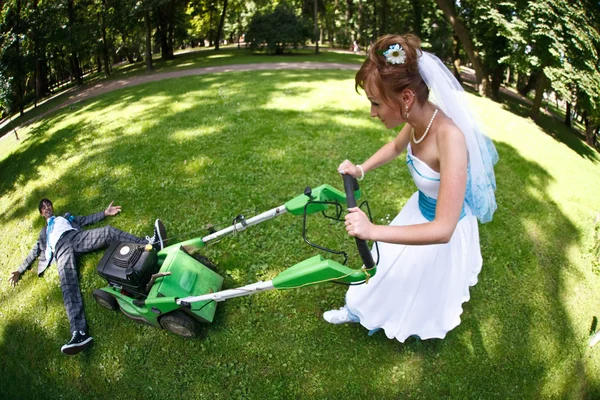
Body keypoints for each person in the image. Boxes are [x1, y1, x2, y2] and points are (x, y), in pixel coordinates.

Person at [323, 34, 498, 342]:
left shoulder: (450, 138)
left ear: (405, 98)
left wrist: (372, 230)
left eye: (376, 104)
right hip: (417, 211)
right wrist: (360, 169)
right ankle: (360, 309)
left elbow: (443, 229)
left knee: (411, 285)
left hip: (441, 229)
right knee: (385, 266)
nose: (372, 113)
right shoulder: (417, 118)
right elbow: (394, 147)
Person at [8, 198, 168, 355]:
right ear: (41, 213)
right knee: (67, 283)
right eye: (43, 207)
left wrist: (105, 213)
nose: (47, 207)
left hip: (75, 238)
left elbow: (85, 220)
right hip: (60, 249)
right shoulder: (43, 234)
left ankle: (151, 245)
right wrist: (19, 270)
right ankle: (79, 333)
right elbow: (33, 253)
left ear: (52, 207)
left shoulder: (64, 218)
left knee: (108, 231)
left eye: (48, 204)